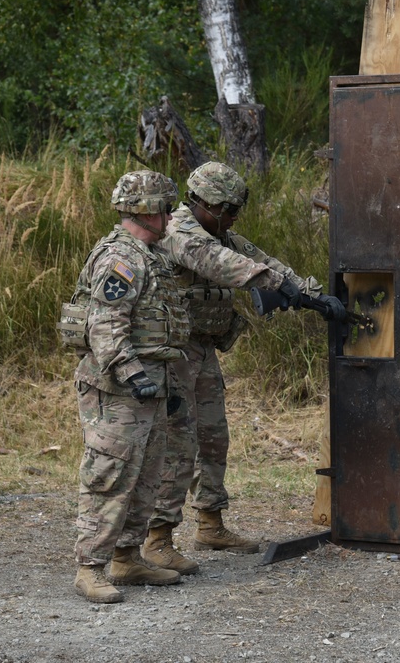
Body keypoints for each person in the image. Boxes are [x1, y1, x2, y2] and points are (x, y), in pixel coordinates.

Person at [143, 161, 346, 575]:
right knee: (179, 444)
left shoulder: (221, 233)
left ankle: (210, 523)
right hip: (172, 352)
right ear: (202, 202)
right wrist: (276, 285)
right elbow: (220, 263)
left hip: (201, 349)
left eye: (236, 210)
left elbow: (260, 259)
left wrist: (311, 296)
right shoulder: (180, 232)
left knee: (214, 436)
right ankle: (157, 538)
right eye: (227, 209)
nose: (233, 218)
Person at [67, 170, 191, 603]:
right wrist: (131, 372)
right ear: (147, 210)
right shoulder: (122, 258)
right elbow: (105, 325)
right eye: (165, 207)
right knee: (109, 472)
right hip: (117, 387)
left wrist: (160, 381)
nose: (171, 215)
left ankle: (127, 556)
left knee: (146, 472)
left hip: (150, 381)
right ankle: (90, 567)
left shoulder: (149, 254)